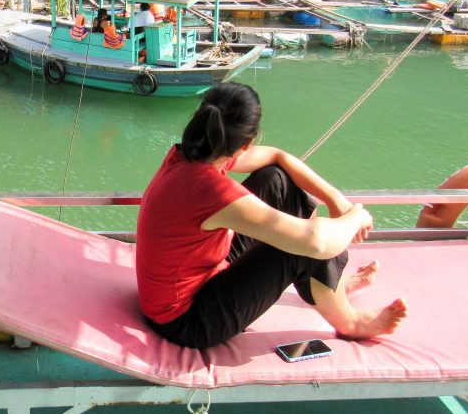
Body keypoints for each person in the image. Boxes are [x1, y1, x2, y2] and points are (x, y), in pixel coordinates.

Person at [135, 83, 407, 350]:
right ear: (247, 142)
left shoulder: (193, 154)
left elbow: (277, 157)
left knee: (275, 180)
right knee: (300, 246)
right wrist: (356, 216)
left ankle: (330, 288)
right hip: (188, 320)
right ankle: (351, 322)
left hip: (202, 274)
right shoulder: (211, 190)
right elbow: (316, 242)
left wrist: (336, 200)